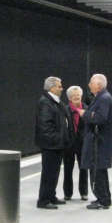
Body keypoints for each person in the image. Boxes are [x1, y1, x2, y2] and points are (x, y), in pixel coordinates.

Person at [35, 76, 71, 209]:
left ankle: (51, 196)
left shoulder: (55, 102)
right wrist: (57, 139)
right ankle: (43, 200)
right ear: (51, 88)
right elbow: (45, 126)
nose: (62, 88)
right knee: (48, 173)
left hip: (57, 145)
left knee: (54, 173)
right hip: (51, 145)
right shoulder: (45, 102)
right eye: (59, 86)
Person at [80, 73, 112, 210]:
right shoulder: (101, 97)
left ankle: (103, 200)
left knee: (98, 171)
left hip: (98, 141)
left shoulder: (103, 98)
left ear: (98, 85)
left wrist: (85, 114)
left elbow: (100, 118)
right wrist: (91, 114)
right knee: (100, 171)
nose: (89, 85)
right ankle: (103, 198)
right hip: (98, 140)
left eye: (91, 83)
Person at [63, 85, 89, 201]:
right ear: (69, 98)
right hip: (68, 145)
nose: (76, 97)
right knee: (68, 169)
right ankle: (67, 193)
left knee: (83, 169)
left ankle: (84, 192)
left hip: (83, 144)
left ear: (81, 96)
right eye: (73, 95)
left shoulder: (87, 109)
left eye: (78, 95)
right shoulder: (64, 110)